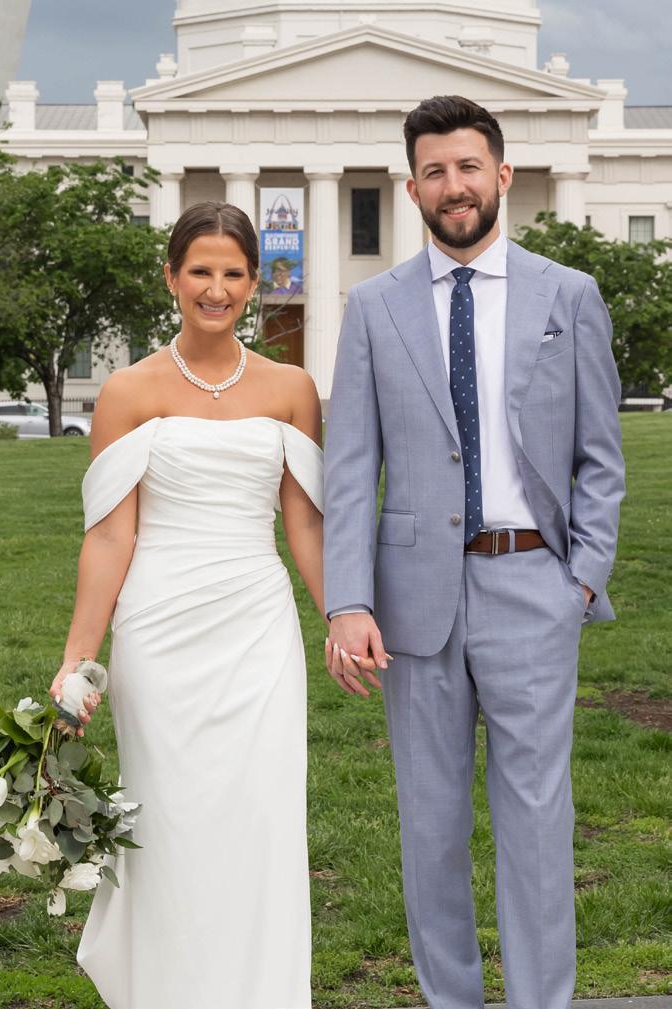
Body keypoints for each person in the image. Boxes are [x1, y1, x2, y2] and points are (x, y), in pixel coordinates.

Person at [323, 95, 625, 1009]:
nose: (453, 186)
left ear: (502, 173)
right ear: (412, 186)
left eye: (467, 167)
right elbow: (351, 467)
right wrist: (348, 599)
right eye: (434, 171)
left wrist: (581, 579)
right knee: (431, 824)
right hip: (412, 601)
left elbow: (600, 458)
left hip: (535, 585)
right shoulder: (372, 307)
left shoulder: (567, 295)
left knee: (537, 822)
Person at [49, 201, 324, 1009]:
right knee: (168, 823)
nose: (216, 288)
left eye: (233, 273)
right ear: (172, 277)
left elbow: (306, 523)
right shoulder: (128, 390)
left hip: (258, 628)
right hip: (159, 630)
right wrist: (77, 661)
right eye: (200, 270)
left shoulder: (293, 388)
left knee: (262, 818)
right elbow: (110, 537)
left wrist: (342, 616)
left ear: (255, 283)